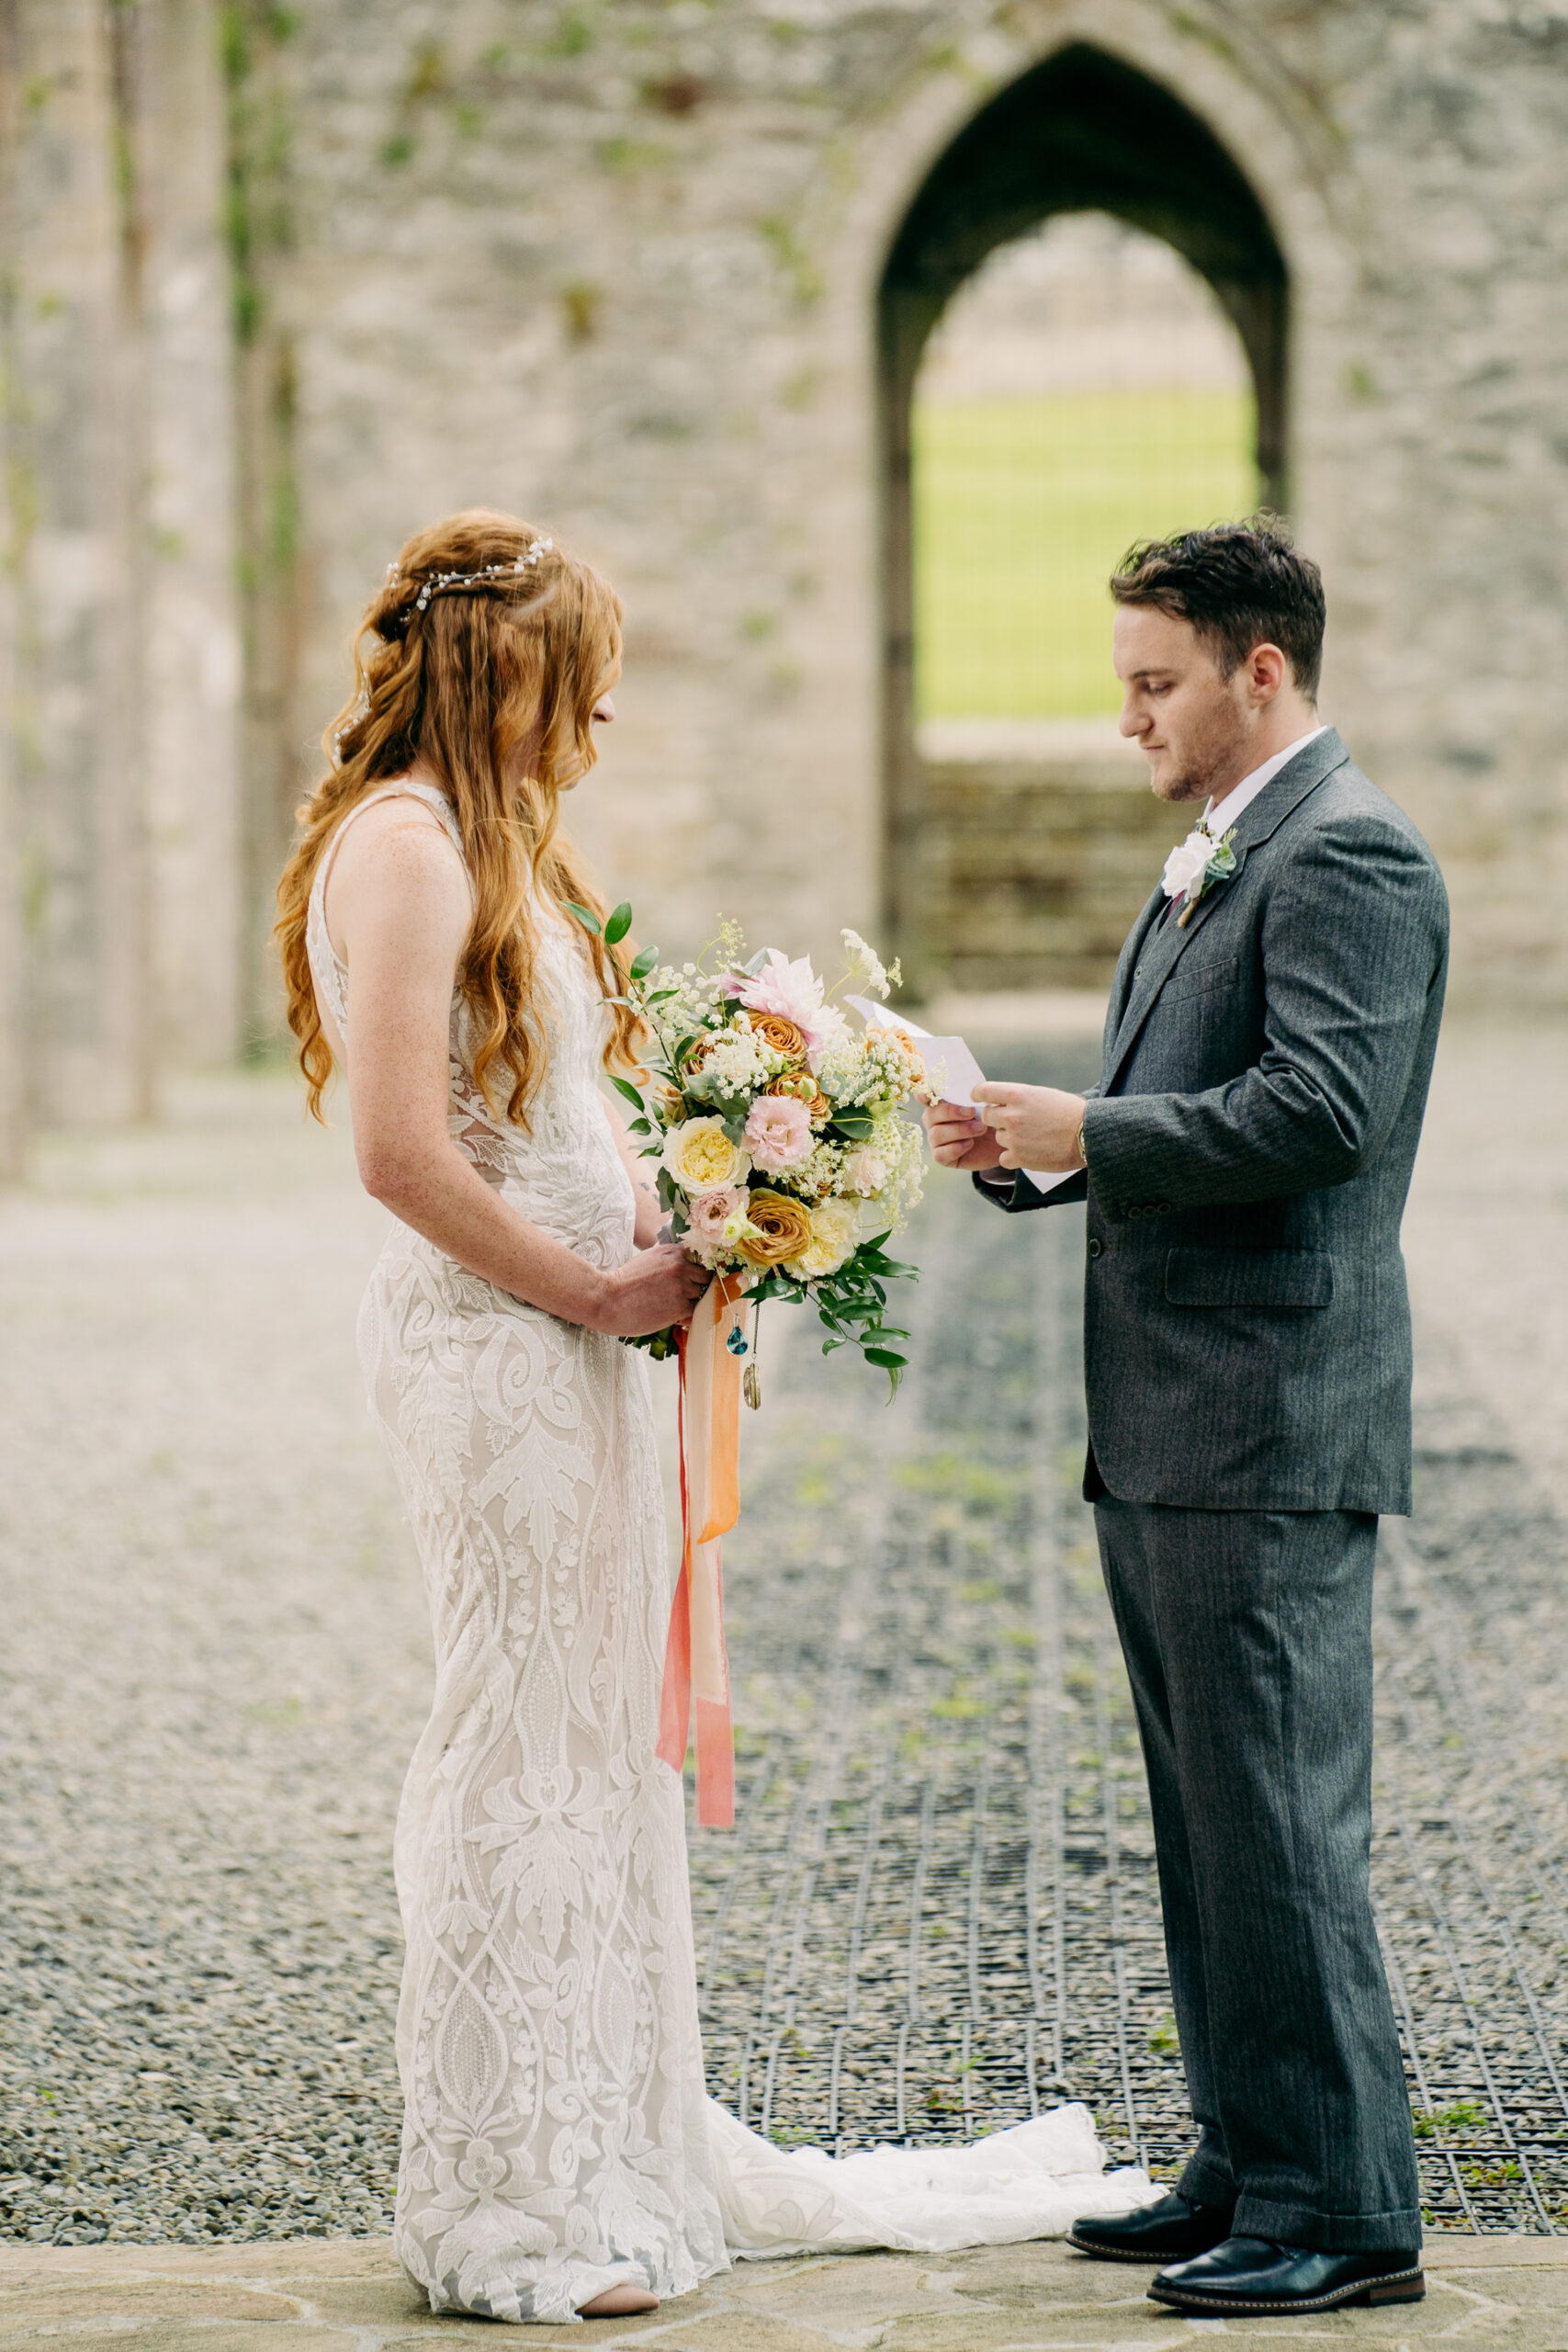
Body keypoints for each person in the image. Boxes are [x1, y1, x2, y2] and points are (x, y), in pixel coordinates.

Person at [276, 509, 1149, 2325]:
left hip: (586, 1352)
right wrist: (595, 1285)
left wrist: (708, 1214)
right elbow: (393, 1151)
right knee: (520, 1729)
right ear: (500, 675)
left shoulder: (499, 849)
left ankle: (611, 2136)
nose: (594, 730)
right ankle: (507, 2190)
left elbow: (561, 1101)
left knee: (601, 1737)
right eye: (578, 691)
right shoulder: (405, 849)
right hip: (502, 1361)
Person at [926, 521, 1446, 2320]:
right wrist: (1017, 1147)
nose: (1125, 718)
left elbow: (1317, 1108)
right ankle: (1245, 2149)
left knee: (1279, 1825)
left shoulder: (1348, 849)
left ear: (1261, 672)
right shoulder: (1223, 853)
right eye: (1122, 683)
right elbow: (1170, 1104)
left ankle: (1343, 2211)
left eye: (1153, 683)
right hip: (1169, 1419)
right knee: (1207, 1815)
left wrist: (1086, 1127)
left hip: (1267, 1420)